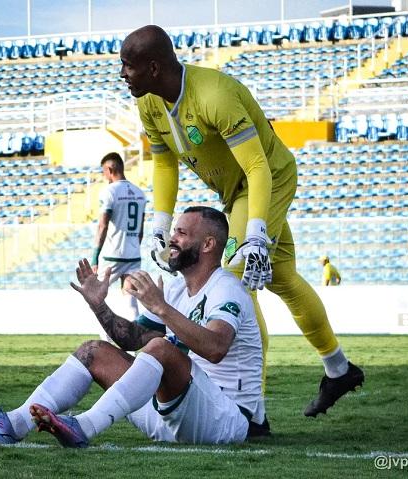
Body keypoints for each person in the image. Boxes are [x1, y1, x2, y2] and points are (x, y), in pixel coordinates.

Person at [119, 25, 364, 423]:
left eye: (128, 67)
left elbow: (256, 166)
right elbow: (164, 162)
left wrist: (254, 236)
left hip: (266, 178)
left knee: (233, 278)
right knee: (281, 278)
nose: (122, 75)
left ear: (153, 67)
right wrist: (161, 225)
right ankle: (339, 370)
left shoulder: (215, 95)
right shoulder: (149, 103)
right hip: (233, 192)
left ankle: (250, 410)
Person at [0, 206, 263, 446]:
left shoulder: (226, 288)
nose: (172, 239)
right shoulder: (176, 289)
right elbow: (132, 339)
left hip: (227, 419)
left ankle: (84, 427)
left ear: (208, 244)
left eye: (182, 234)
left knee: (161, 348)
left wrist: (160, 307)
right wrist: (99, 305)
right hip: (173, 414)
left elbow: (215, 348)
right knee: (93, 351)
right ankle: (12, 425)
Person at [91, 152, 147, 319]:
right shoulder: (140, 193)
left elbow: (103, 225)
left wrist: (95, 257)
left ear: (109, 169)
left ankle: (104, 341)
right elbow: (141, 229)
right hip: (133, 255)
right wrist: (134, 248)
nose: (104, 175)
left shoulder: (109, 191)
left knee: (96, 298)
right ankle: (134, 342)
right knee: (130, 300)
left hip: (111, 256)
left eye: (104, 171)